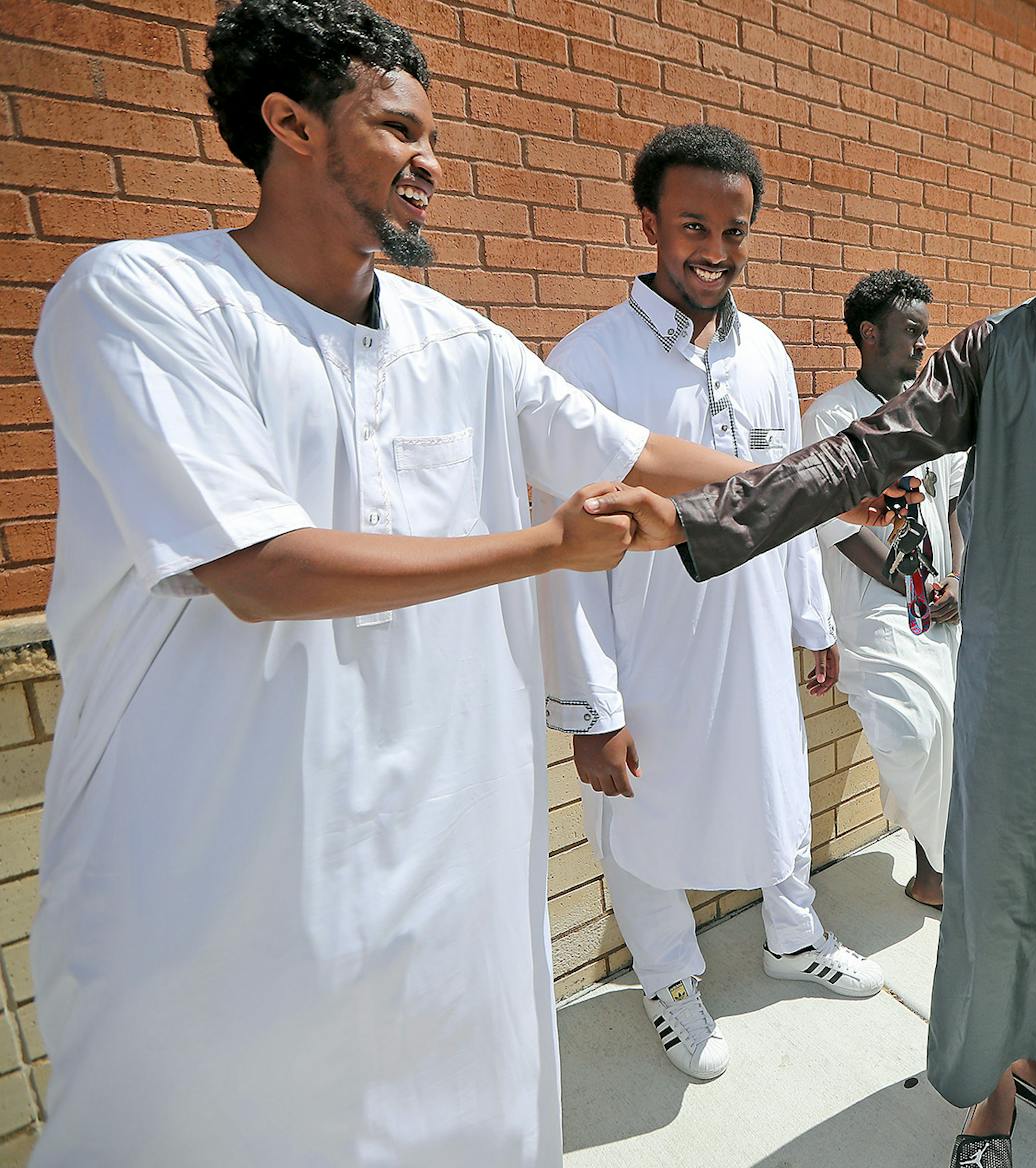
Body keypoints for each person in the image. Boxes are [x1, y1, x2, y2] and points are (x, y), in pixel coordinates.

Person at [26, 4, 774, 1164]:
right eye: (397, 128)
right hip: (214, 889)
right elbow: (257, 567)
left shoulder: (454, 340)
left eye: (434, 135)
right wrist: (541, 548)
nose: (431, 159)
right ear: (289, 123)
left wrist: (834, 479)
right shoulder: (143, 298)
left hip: (446, 882)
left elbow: (628, 454)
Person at [591, 110, 1036, 1167]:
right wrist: (698, 519)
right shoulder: (997, 351)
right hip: (1003, 697)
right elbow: (857, 453)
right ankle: (990, 1097)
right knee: (998, 901)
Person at [534, 125, 883, 1082]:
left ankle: (793, 938)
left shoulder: (766, 351)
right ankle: (672, 982)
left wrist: (812, 622)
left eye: (735, 230)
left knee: (776, 793)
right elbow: (569, 557)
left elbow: (792, 497)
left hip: (758, 639)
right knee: (643, 827)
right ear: (647, 222)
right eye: (694, 225)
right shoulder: (589, 363)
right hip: (650, 650)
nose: (716, 250)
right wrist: (592, 711)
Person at [802, 269, 967, 910]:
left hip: (942, 606)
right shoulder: (829, 419)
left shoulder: (931, 415)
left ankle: (936, 875)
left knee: (950, 734)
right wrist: (914, 582)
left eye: (927, 332)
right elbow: (833, 527)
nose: (924, 344)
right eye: (911, 332)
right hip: (874, 610)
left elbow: (955, 499)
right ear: (870, 335)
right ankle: (941, 861)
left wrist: (957, 577)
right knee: (910, 734)